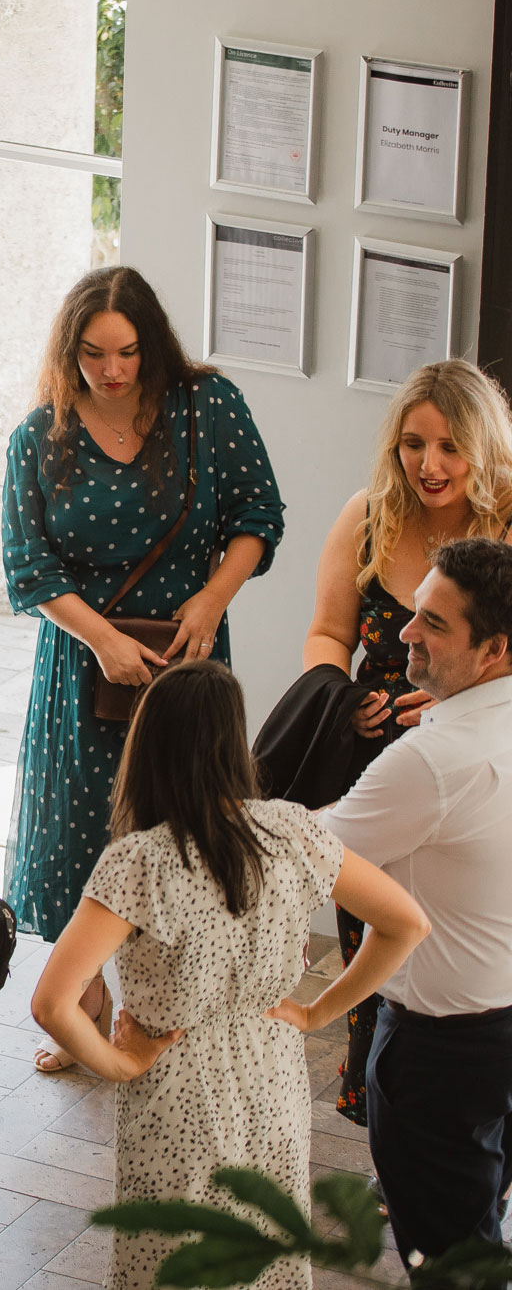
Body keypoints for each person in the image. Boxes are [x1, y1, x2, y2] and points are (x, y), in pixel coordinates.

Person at [31, 661, 427, 1290]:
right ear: (235, 745)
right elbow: (406, 923)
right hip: (272, 1076)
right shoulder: (294, 830)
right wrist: (314, 1014)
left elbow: (53, 1003)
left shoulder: (140, 864)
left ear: (148, 744)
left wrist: (119, 1065)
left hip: (173, 1086)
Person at [1, 265, 284, 1073]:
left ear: (150, 343)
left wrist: (211, 600)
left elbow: (259, 515)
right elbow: (28, 568)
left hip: (188, 663)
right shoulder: (39, 436)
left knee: (182, 825)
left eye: (125, 352)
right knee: (82, 829)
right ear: (70, 351)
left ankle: (168, 1003)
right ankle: (86, 1000)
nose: (111, 370)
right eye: (92, 354)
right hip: (84, 662)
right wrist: (101, 641)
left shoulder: (209, 407)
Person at [297, 358, 512, 1125]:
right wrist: (345, 698)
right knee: (376, 944)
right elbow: (326, 633)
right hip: (376, 760)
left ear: (484, 448)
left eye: (451, 446)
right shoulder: (368, 515)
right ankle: (392, 1115)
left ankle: (461, 1128)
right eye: (414, 444)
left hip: (478, 765)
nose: (430, 465)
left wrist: (461, 710)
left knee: (457, 936)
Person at [319, 537, 512, 1275]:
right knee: (480, 1217)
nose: (403, 633)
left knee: (455, 1263)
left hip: (445, 1056)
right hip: (500, 1032)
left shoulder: (433, 760)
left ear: (492, 648)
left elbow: (306, 855)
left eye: (432, 622)